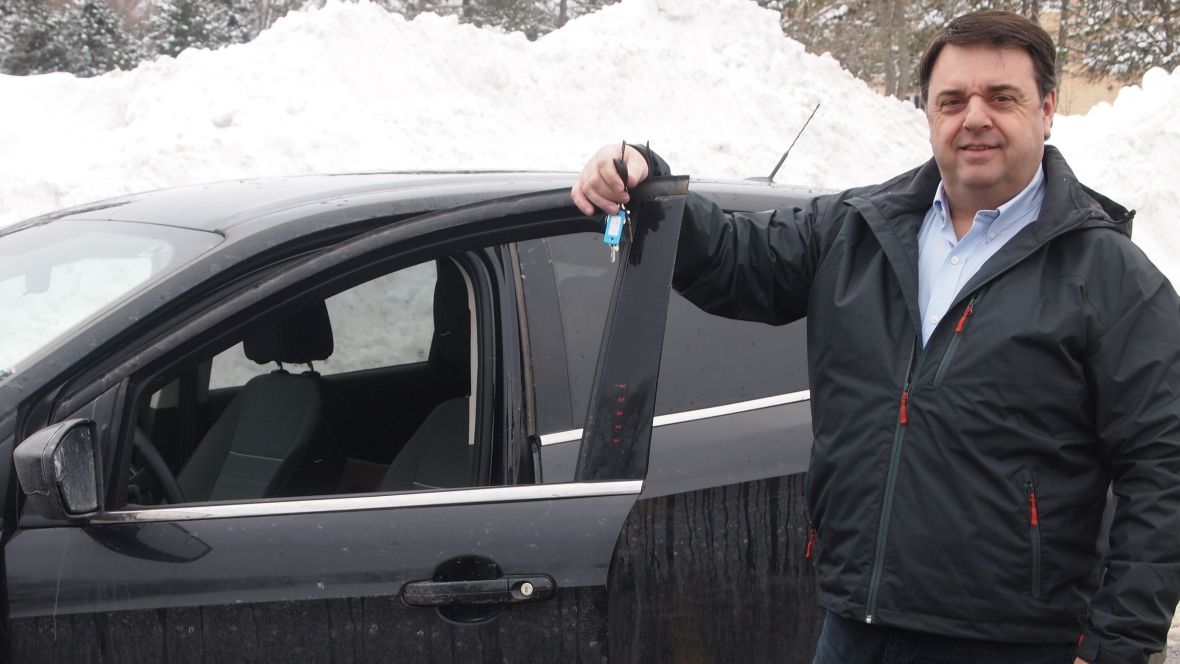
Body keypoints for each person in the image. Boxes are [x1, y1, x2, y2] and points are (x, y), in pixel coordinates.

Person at [572, 10, 1180, 664]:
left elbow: (1164, 466)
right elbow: (731, 258)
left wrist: (1116, 644)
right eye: (952, 100)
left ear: (1048, 108)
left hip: (1013, 643)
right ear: (929, 114)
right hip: (854, 626)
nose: (974, 118)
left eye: (1001, 98)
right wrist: (647, 183)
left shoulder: (1110, 276)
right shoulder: (859, 230)